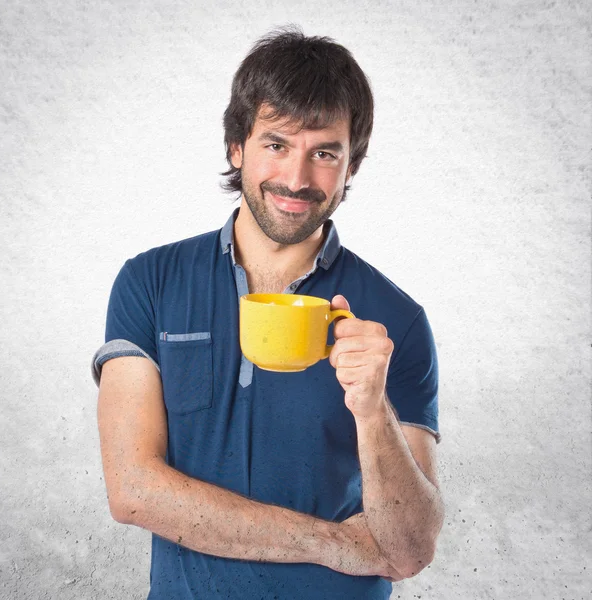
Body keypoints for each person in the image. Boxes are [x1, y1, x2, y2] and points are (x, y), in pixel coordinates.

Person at [92, 25, 444, 600]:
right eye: (276, 144)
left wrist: (373, 409)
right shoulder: (150, 283)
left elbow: (407, 550)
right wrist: (331, 544)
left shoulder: (395, 321)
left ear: (351, 164)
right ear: (237, 146)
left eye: (325, 152)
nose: (297, 179)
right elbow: (132, 489)